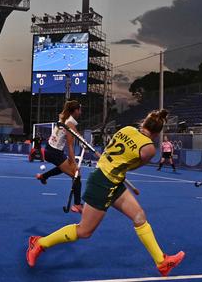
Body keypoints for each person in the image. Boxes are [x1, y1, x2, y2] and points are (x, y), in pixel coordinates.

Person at [26, 109, 185, 277]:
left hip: (111, 179)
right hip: (104, 183)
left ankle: (161, 262)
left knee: (139, 216)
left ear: (144, 123)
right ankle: (39, 243)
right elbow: (132, 165)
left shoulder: (127, 129)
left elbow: (113, 153)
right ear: (157, 133)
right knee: (84, 231)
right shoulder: (149, 149)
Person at [35, 100, 92, 213]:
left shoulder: (65, 119)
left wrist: (83, 142)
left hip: (50, 150)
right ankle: (76, 205)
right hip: (54, 152)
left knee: (63, 168)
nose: (80, 112)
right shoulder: (69, 124)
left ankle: (43, 176)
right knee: (77, 175)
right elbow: (70, 146)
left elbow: (77, 134)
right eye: (79, 110)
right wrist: (74, 164)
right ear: (75, 111)